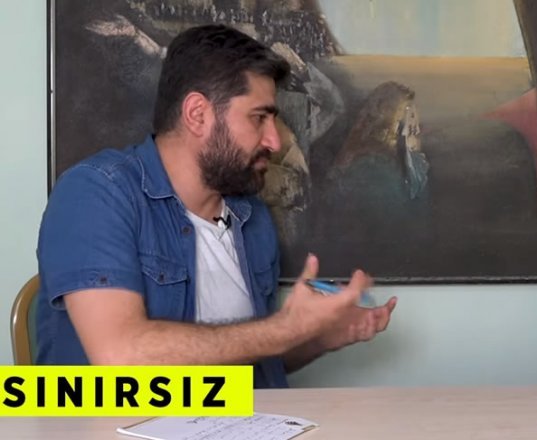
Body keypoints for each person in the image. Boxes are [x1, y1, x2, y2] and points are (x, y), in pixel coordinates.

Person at [35, 24, 396, 388]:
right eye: (259, 118)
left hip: (240, 417)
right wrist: (287, 328)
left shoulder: (252, 217)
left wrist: (318, 338)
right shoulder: (96, 194)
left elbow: (247, 351)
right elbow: (121, 358)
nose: (275, 141)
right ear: (198, 114)